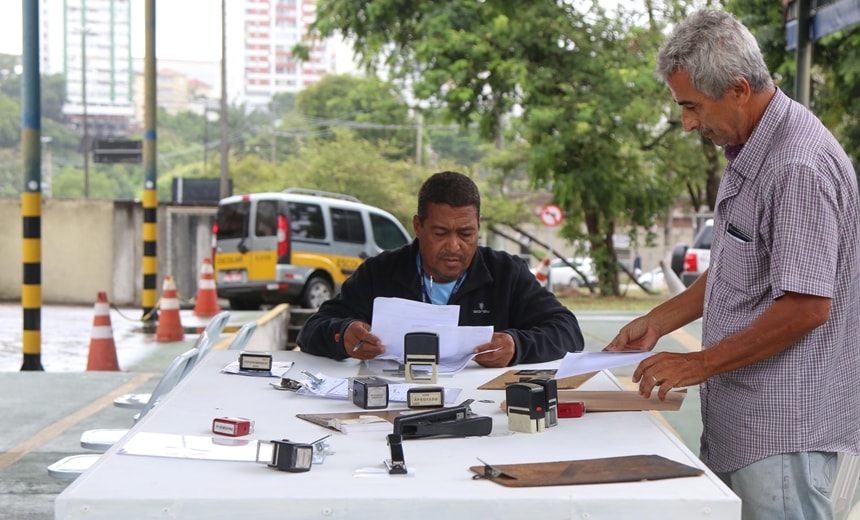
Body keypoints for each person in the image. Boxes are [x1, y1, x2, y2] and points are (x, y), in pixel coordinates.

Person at [604, 9, 860, 519]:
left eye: (692, 106)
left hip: (783, 434)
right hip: (744, 423)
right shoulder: (751, 149)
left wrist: (696, 362)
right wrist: (658, 322)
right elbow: (735, 269)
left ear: (739, 90)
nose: (688, 122)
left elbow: (807, 307)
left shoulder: (796, 166)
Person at [297, 171, 584, 367]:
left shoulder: (506, 273)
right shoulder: (380, 272)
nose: (454, 246)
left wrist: (516, 345)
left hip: (484, 407)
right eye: (440, 232)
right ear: (418, 226)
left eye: (466, 234)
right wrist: (343, 334)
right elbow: (312, 330)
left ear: (478, 228)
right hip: (390, 407)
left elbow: (568, 331)